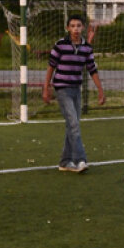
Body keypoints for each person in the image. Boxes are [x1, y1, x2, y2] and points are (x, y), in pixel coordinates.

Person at [42, 14, 105, 172]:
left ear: (83, 28)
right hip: (62, 89)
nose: (75, 29)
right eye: (72, 26)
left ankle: (65, 161)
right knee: (74, 124)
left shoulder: (86, 48)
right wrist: (46, 88)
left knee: (72, 125)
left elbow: (92, 69)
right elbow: (51, 67)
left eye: (78, 26)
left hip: (76, 89)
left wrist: (100, 90)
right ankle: (80, 160)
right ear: (67, 28)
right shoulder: (60, 45)